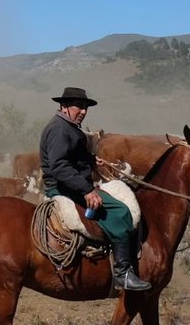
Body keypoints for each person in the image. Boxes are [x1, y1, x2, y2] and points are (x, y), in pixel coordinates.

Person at [38, 86, 151, 292]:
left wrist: (90, 159)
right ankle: (122, 273)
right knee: (120, 211)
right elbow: (59, 165)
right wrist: (86, 191)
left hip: (73, 184)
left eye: (85, 107)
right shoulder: (60, 129)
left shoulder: (67, 126)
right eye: (78, 107)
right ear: (64, 106)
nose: (83, 111)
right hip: (66, 188)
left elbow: (72, 155)